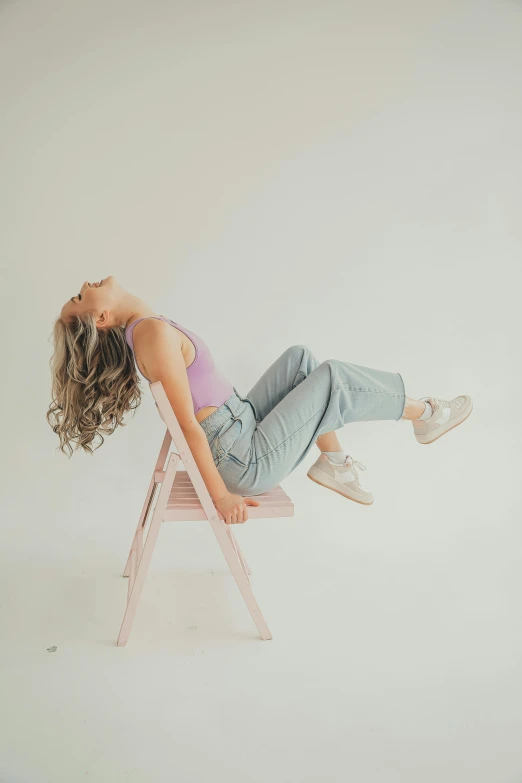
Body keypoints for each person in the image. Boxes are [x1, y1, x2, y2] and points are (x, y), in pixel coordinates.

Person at [48, 276, 473, 525]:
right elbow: (189, 429)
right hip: (241, 459)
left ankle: (336, 466)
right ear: (101, 319)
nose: (86, 284)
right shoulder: (152, 337)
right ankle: (427, 415)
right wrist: (221, 498)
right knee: (334, 376)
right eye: (81, 297)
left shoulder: (148, 328)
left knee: (301, 360)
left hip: (241, 427)